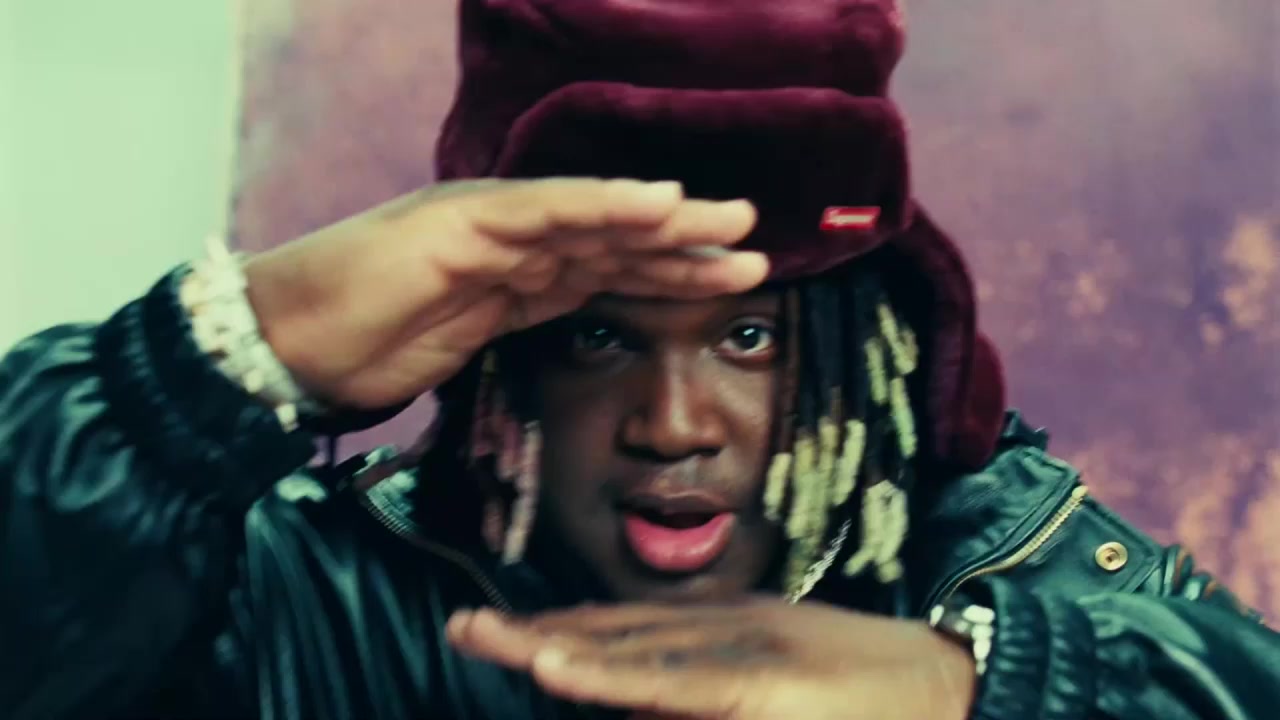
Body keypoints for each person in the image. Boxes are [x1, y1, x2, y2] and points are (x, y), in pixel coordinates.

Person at [3, 1, 1277, 719]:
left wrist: (990, 693)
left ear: (864, 347)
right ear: (500, 357)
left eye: (746, 335)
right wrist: (200, 365)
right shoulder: (304, 599)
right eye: (599, 335)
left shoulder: (1025, 572)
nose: (671, 424)